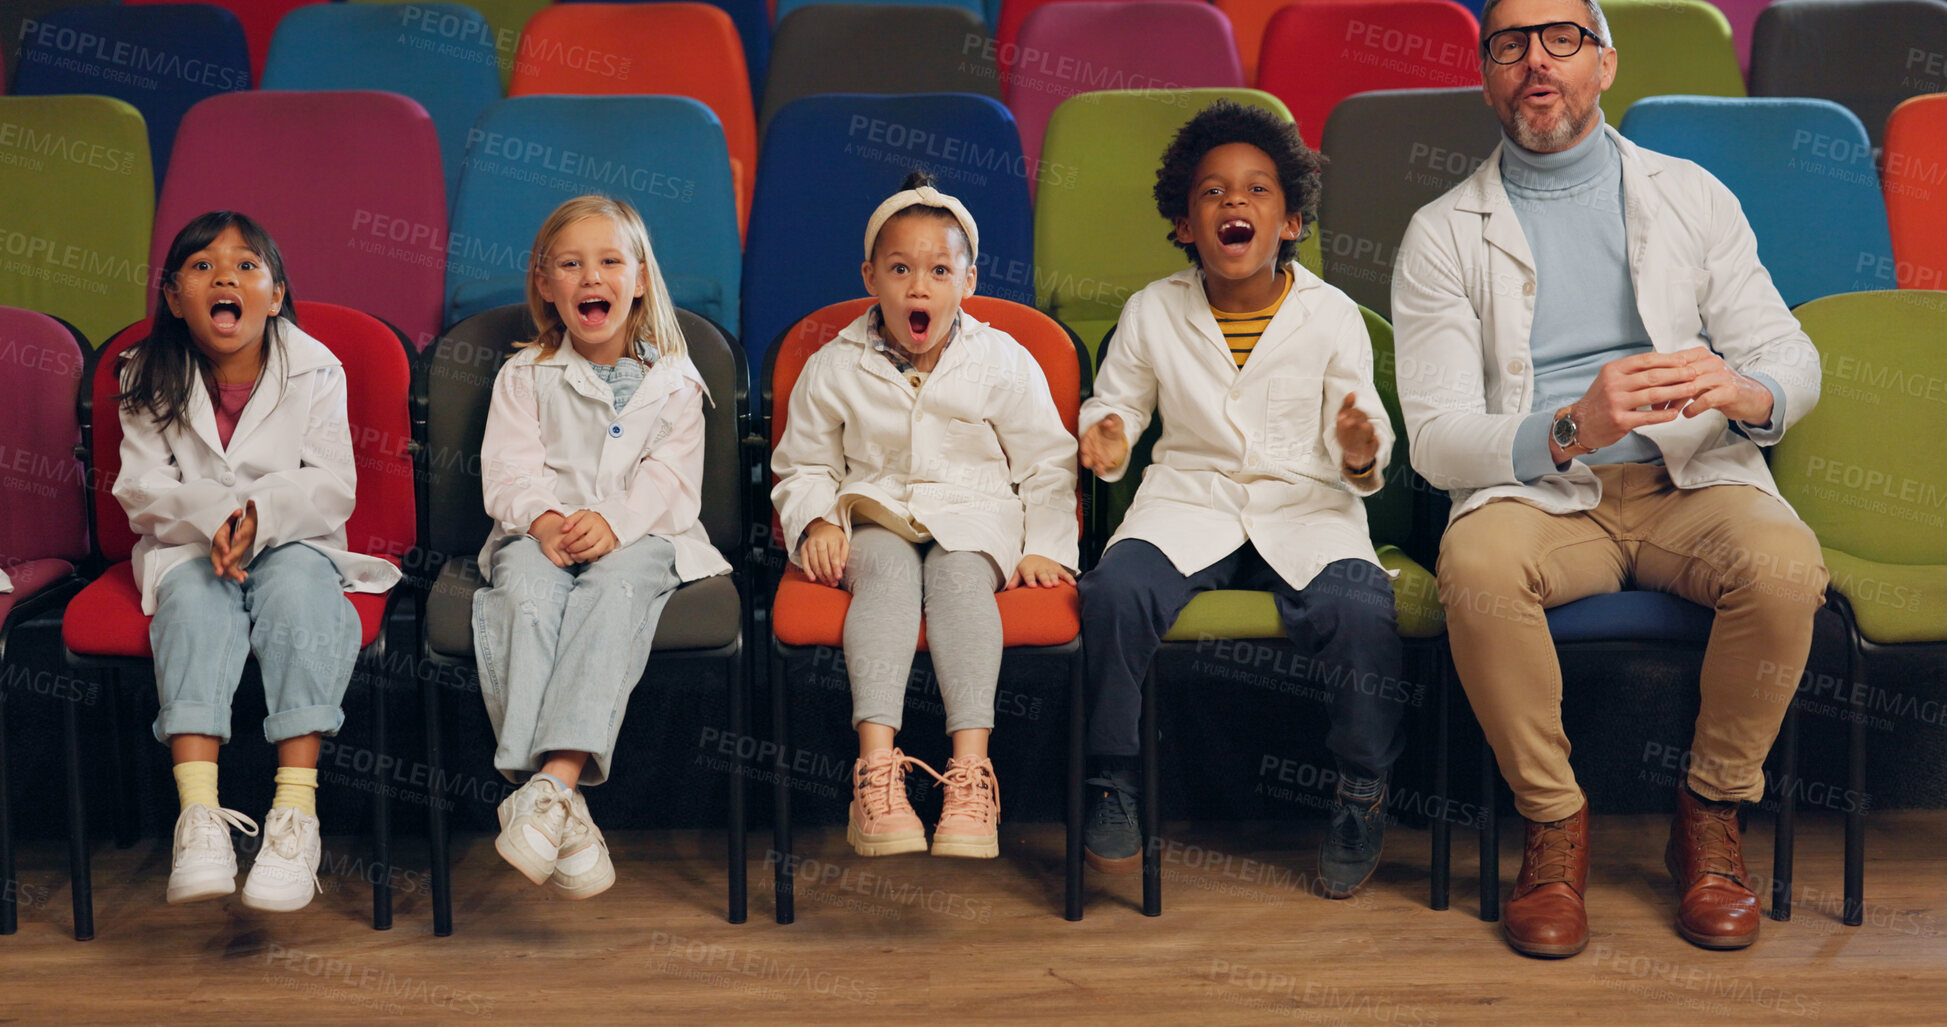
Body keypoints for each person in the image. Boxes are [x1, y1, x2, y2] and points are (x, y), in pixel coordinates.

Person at [1392, 0, 1828, 957]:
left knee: (1788, 565)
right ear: (1486, 75)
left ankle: (1709, 817)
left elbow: (1792, 357)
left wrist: (1743, 388)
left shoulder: (1693, 195)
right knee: (1474, 564)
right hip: (1547, 496)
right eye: (1509, 44)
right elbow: (1430, 436)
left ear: (1605, 63)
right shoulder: (1440, 232)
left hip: (1693, 484)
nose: (1535, 61)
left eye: (1561, 39)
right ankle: (1552, 826)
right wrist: (1567, 427)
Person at [1077, 100, 1407, 898]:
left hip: (1307, 508)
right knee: (1114, 592)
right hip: (1189, 503)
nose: (1234, 203)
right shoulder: (1153, 309)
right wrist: (1109, 432)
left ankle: (1361, 789)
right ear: (1184, 224)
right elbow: (1114, 402)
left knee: (1362, 610)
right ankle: (1110, 778)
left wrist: (1362, 450)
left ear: (1290, 219)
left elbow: (1362, 421)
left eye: (1257, 191)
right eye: (1213, 192)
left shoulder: (1330, 316)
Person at [771, 171, 1079, 860]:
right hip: (873, 513)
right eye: (900, 269)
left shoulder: (1004, 360)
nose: (919, 287)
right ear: (869, 277)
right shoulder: (833, 363)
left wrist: (1045, 546)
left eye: (939, 270)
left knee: (959, 580)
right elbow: (804, 465)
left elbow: (1048, 465)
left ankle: (970, 772)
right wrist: (817, 519)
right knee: (882, 576)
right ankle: (876, 771)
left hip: (974, 517)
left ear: (968, 281)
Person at [115, 210, 402, 911]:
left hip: (292, 538)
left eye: (247, 266)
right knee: (193, 601)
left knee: (302, 592)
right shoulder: (142, 373)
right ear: (175, 296)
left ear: (275, 295)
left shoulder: (316, 366)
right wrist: (212, 520)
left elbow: (333, 484)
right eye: (203, 265)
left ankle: (294, 815)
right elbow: (140, 489)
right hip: (187, 543)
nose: (226, 277)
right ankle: (200, 817)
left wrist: (255, 518)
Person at [472, 194, 730, 899]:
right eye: (571, 265)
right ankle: (562, 808)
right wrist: (547, 519)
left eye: (610, 261)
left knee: (614, 592)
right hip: (540, 534)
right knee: (521, 594)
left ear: (640, 278)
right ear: (546, 285)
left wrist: (614, 521)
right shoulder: (523, 375)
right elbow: (508, 474)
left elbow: (673, 483)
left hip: (644, 537)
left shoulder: (676, 380)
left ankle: (550, 778)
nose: (592, 277)